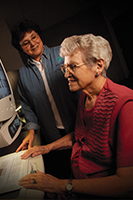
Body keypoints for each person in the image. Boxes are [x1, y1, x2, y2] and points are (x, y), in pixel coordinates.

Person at [18, 34, 133, 199]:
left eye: (73, 66)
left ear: (98, 66)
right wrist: (46, 148)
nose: (66, 75)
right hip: (77, 179)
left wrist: (60, 185)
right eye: (65, 68)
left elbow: (127, 184)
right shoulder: (84, 97)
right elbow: (79, 136)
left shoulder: (125, 105)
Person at [11, 19, 79, 179]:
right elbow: (27, 106)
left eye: (34, 37)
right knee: (67, 171)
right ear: (21, 49)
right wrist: (31, 131)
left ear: (39, 35)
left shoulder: (63, 53)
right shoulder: (23, 74)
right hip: (53, 131)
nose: (32, 44)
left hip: (79, 122)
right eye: (26, 43)